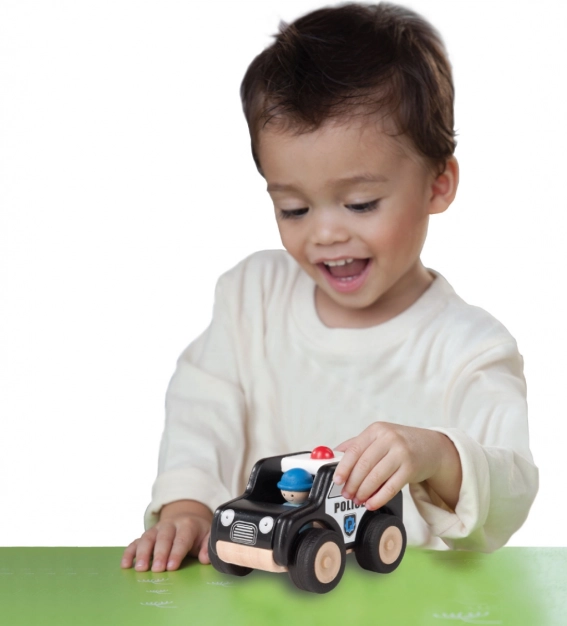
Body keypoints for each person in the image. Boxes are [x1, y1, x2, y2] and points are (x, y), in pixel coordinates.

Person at [121, 2, 539, 573]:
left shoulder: (470, 348)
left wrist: (436, 455)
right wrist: (187, 504)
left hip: (404, 601)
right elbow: (201, 410)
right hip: (258, 598)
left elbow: (511, 490)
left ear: (438, 184)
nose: (325, 234)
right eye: (293, 208)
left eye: (361, 203)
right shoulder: (252, 298)